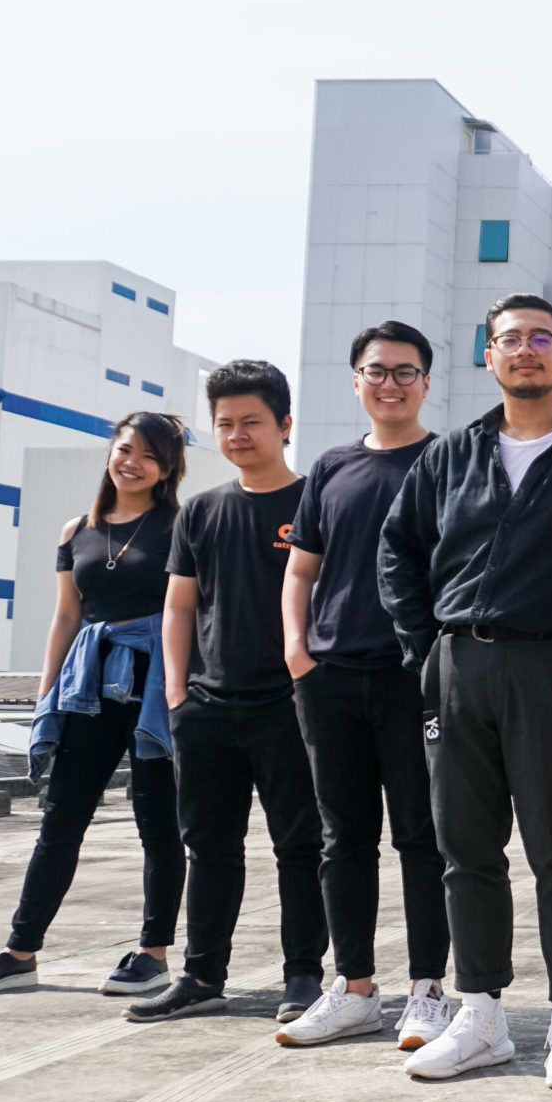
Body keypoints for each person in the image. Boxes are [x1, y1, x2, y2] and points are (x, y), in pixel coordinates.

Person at [380, 296, 552, 1087]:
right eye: (509, 338)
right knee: (465, 849)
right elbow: (397, 550)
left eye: (542, 337)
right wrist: (425, 651)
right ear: (488, 356)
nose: (526, 349)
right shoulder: (452, 454)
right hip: (458, 667)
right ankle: (479, 1015)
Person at [0, 414, 187, 998]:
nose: (132, 463)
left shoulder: (181, 526)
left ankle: (153, 954)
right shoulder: (76, 530)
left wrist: (183, 691)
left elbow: (192, 610)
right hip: (87, 685)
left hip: (155, 683)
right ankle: (20, 951)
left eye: (149, 456)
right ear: (111, 452)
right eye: (125, 450)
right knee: (60, 820)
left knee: (157, 822)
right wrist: (46, 694)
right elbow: (65, 614)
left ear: (167, 470)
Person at [128, 362, 330, 1025]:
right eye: (225, 424)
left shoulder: (314, 503)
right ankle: (202, 975)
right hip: (207, 708)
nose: (238, 434)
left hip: (289, 707)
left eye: (252, 421)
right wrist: (177, 692)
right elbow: (179, 605)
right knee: (209, 847)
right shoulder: (202, 510)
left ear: (284, 425)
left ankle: (303, 975)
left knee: (299, 845)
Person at [275, 321, 452, 1051]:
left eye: (405, 372)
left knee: (422, 837)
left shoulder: (448, 460)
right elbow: (301, 570)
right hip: (331, 676)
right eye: (377, 371)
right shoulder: (331, 466)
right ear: (356, 381)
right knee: (342, 838)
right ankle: (353, 989)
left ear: (426, 383)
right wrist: (298, 653)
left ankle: (428, 990)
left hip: (415, 677)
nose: (390, 384)